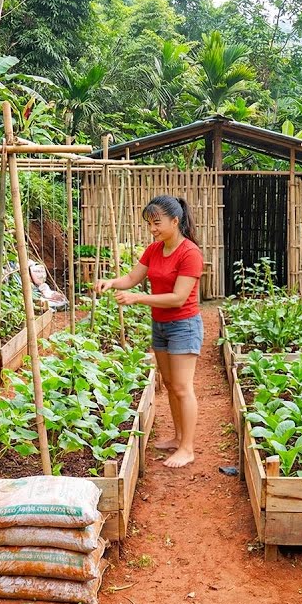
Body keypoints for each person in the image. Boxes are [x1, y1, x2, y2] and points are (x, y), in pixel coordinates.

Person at [96, 195, 203, 468]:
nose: (152, 229)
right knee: (169, 384)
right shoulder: (154, 250)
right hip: (160, 324)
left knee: (182, 386)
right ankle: (178, 438)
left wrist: (137, 299)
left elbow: (179, 297)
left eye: (157, 223)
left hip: (183, 325)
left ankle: (188, 448)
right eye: (149, 224)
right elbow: (132, 278)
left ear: (175, 220)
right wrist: (112, 283)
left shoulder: (190, 253)